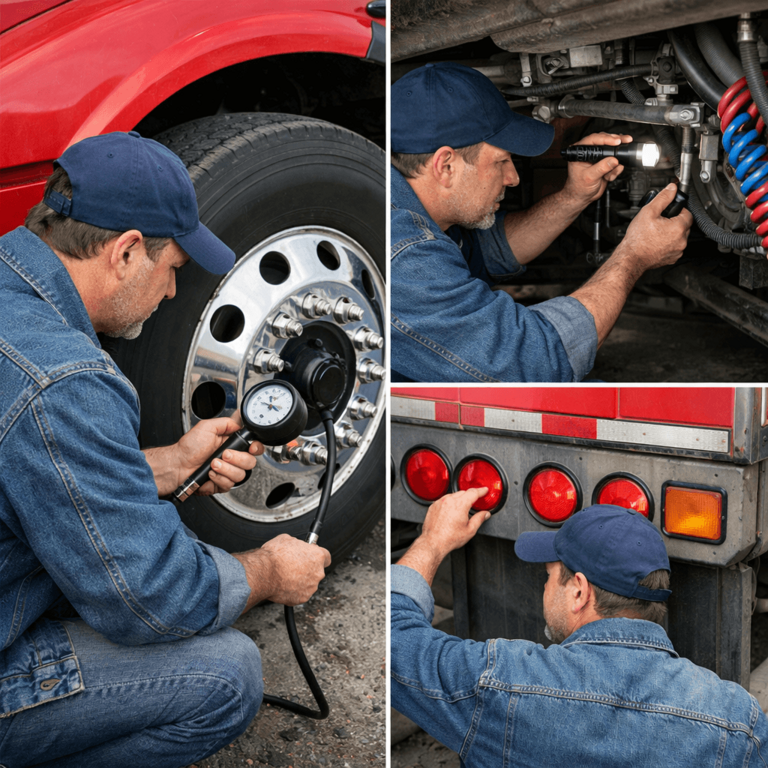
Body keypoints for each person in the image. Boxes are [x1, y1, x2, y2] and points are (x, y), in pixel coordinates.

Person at [0, 131, 331, 768]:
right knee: (227, 675)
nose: (174, 292)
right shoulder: (64, 383)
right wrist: (265, 572)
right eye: (173, 267)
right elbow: (149, 597)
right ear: (126, 252)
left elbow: (28, 462)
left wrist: (170, 463)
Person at [391, 489, 768, 766]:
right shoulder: (737, 721)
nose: (543, 589)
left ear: (579, 592)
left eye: (549, 577)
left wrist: (433, 542)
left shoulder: (500, 681)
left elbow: (394, 636)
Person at [390, 62, 693, 382]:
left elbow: (485, 251)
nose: (513, 178)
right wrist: (634, 254)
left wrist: (575, 196)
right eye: (502, 161)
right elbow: (532, 360)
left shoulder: (417, 211)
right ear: (446, 166)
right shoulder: (405, 253)